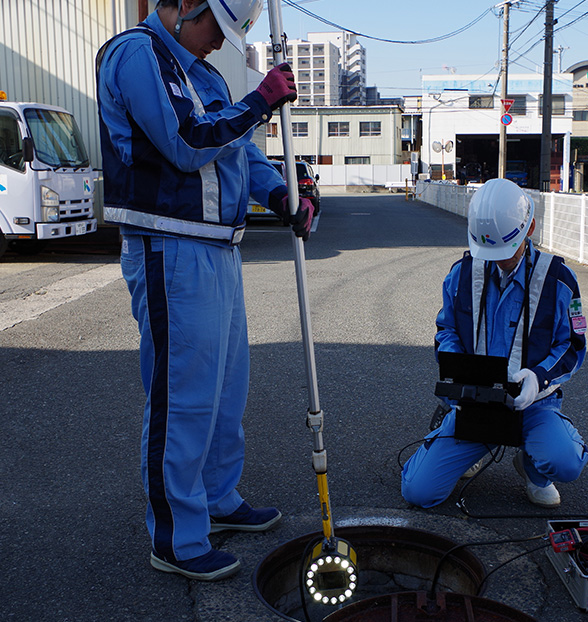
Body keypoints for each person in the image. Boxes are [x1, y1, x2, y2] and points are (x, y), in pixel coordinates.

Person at [96, 0, 316, 581]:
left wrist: (283, 192)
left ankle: (218, 497)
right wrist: (262, 99)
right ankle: (176, 534)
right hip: (167, 245)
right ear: (182, 6)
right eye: (215, 26)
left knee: (224, 389)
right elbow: (189, 142)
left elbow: (238, 149)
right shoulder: (135, 56)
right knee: (183, 397)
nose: (220, 41)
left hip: (219, 247)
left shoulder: (206, 73)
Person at [401, 178, 588, 509]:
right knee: (418, 493)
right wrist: (456, 369)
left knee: (564, 461)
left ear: (529, 227)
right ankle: (473, 440)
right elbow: (446, 329)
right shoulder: (461, 274)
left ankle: (534, 468)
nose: (500, 260)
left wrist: (539, 378)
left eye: (508, 250)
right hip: (475, 403)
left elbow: (573, 345)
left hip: (535, 404)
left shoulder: (560, 279)